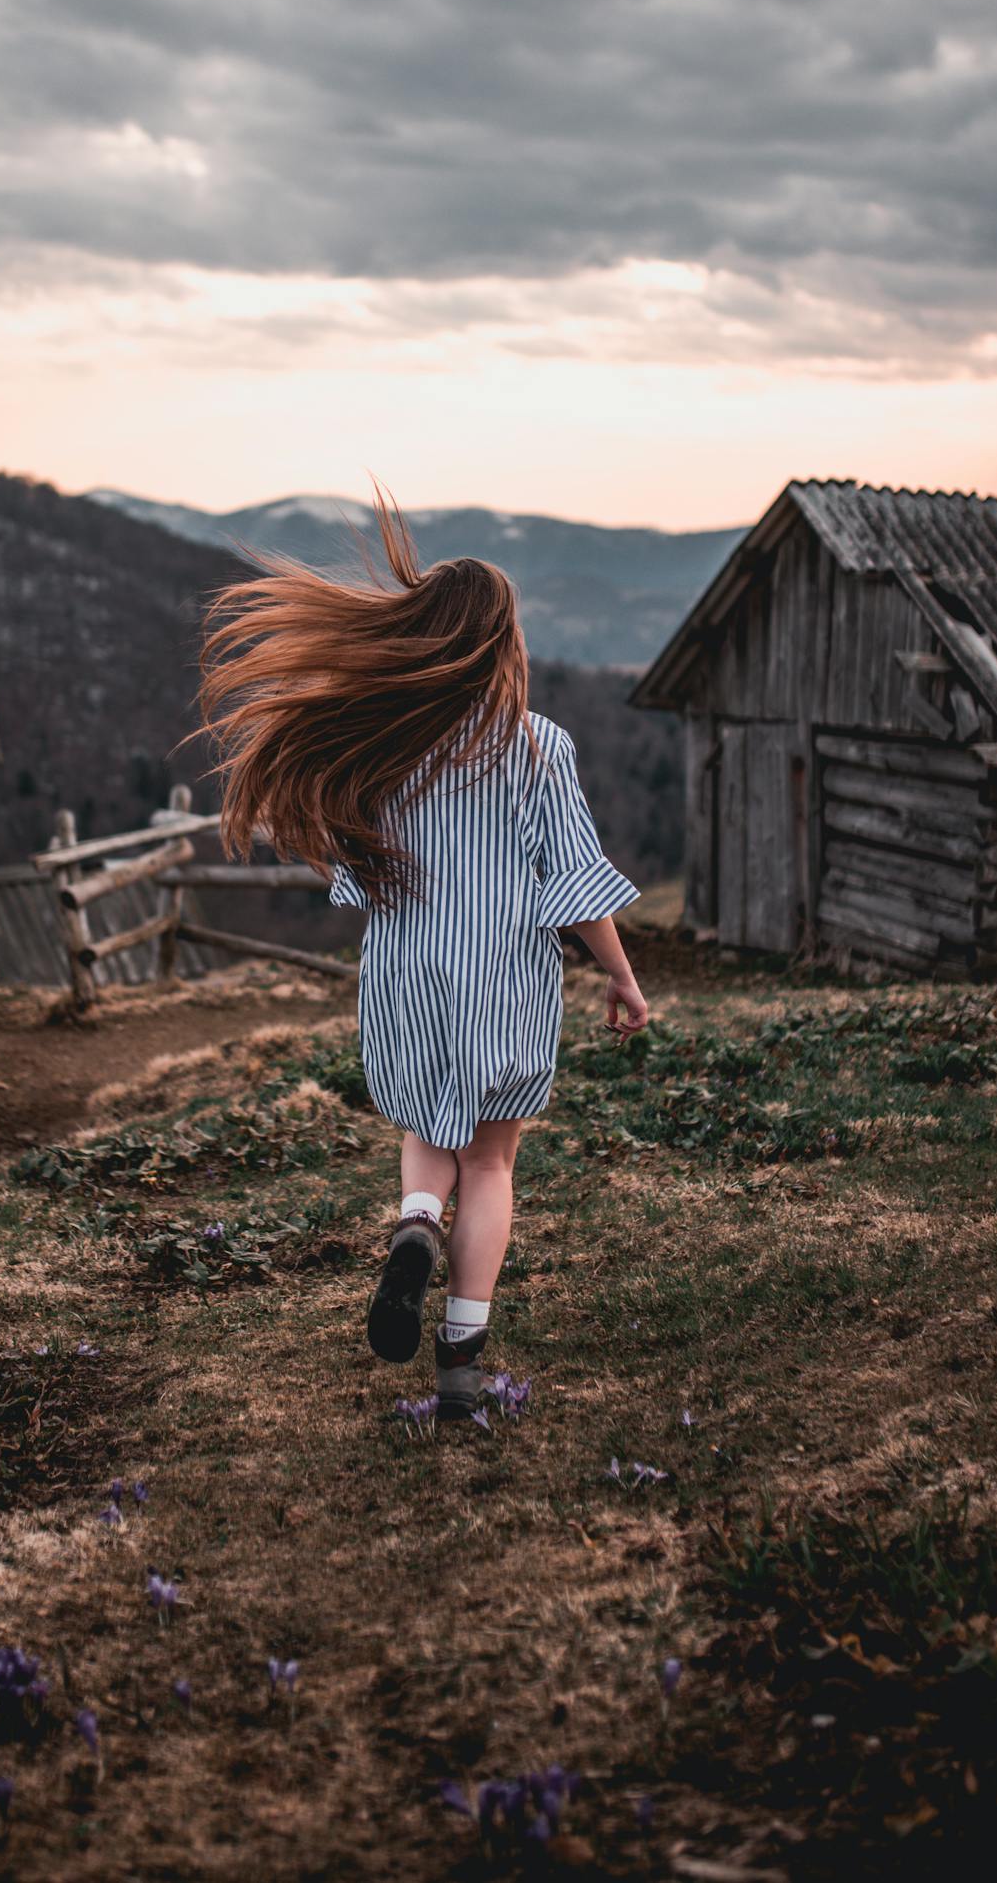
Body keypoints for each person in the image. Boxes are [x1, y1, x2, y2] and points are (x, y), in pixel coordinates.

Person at [184, 480, 650, 1420]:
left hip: (407, 972)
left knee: (429, 1130)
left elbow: (358, 871)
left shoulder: (387, 743)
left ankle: (412, 1226)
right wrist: (624, 980)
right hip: (507, 979)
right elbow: (578, 877)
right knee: (492, 1161)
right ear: (502, 642)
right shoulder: (536, 747)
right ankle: (462, 1370)